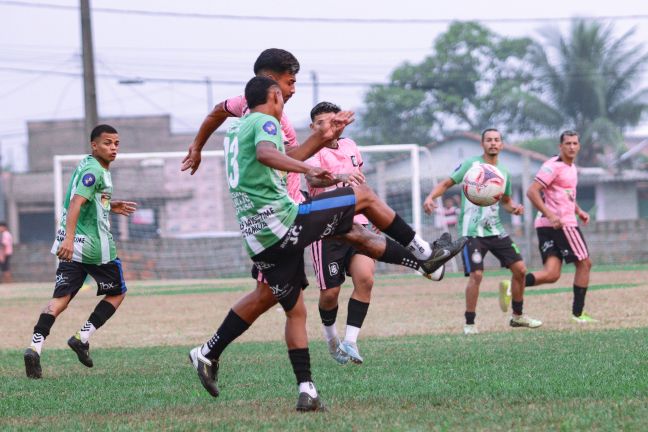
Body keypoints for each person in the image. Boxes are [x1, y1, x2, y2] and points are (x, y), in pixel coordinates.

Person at [188, 76, 465, 412]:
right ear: (273, 93)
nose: (291, 93)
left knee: (292, 305)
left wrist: (322, 137)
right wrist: (313, 168)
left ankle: (279, 379)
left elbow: (275, 150)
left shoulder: (237, 125)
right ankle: (425, 253)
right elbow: (267, 154)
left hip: (258, 237)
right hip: (284, 221)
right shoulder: (266, 120)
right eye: (289, 84)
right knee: (362, 196)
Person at [23, 124, 137, 379]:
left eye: (117, 143)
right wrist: (71, 239)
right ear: (94, 145)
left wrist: (109, 205)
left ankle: (35, 346)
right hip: (94, 247)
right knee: (117, 293)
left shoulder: (86, 164)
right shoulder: (95, 170)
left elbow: (88, 201)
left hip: (71, 244)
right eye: (108, 143)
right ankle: (81, 337)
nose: (114, 148)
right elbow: (77, 202)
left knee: (61, 299)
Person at [423, 128, 542, 335]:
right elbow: (446, 183)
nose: (493, 143)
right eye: (489, 140)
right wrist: (430, 197)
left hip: (495, 229)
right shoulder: (471, 165)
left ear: (502, 145)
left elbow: (505, 201)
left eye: (497, 140)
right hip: (471, 231)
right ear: (482, 144)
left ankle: (517, 316)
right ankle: (470, 323)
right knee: (477, 275)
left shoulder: (504, 173)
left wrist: (513, 208)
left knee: (521, 270)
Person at [305, 102, 377, 365]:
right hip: (325, 229)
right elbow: (313, 179)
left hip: (357, 223)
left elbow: (360, 181)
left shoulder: (350, 146)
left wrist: (372, 213)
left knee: (366, 279)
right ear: (313, 127)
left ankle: (351, 342)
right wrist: (340, 177)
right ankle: (331, 338)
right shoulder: (312, 151)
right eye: (321, 122)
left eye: (332, 121)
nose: (327, 126)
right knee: (330, 294)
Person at [525, 130, 595, 323]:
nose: (571, 147)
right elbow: (532, 192)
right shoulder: (553, 166)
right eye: (568, 143)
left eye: (575, 143)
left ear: (579, 146)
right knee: (585, 263)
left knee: (552, 274)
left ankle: (514, 284)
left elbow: (567, 195)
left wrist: (579, 211)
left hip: (549, 224)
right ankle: (578, 314)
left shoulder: (571, 168)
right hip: (561, 224)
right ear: (560, 146)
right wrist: (550, 214)